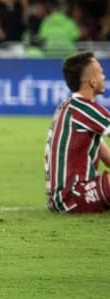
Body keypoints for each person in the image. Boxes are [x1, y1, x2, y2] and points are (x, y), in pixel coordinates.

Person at [45, 51, 110, 213]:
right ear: (93, 81)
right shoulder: (85, 109)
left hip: (62, 198)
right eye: (101, 72)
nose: (104, 77)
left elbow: (107, 157)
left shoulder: (69, 108)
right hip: (74, 196)